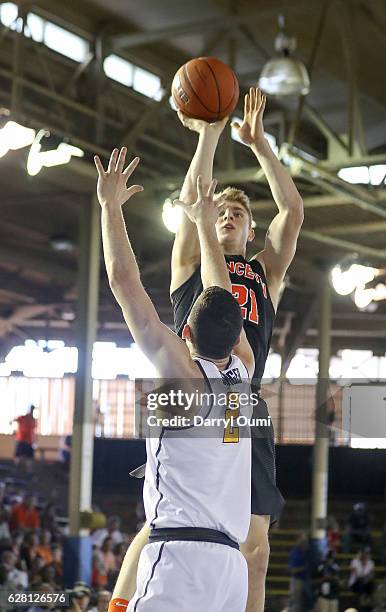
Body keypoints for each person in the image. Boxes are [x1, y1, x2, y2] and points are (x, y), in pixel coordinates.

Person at [114, 87, 304, 612]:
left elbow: (291, 209)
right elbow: (194, 196)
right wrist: (208, 136)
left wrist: (260, 145)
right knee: (163, 521)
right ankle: (118, 604)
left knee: (256, 549)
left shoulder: (265, 270)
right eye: (219, 211)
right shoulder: (190, 264)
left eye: (238, 214)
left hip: (243, 397)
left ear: (249, 227)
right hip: (190, 382)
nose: (226, 216)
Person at [94, 147, 255, 611]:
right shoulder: (241, 375)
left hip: (179, 559)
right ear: (236, 334)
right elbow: (222, 297)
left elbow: (126, 285)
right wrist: (205, 226)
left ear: (185, 332)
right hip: (231, 572)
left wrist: (110, 207)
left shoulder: (186, 376)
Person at [288, 533, 312, 612]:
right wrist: (304, 568)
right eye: (302, 540)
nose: (304, 542)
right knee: (296, 602)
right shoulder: (295, 553)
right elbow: (292, 570)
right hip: (297, 580)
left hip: (307, 580)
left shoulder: (308, 552)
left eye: (305, 540)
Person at [11, 404, 37, 472]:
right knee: (18, 457)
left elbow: (33, 432)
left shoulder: (33, 420)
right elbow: (12, 421)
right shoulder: (22, 417)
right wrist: (13, 431)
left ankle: (28, 474)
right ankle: (16, 471)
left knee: (29, 458)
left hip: (29, 442)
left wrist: (35, 441)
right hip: (21, 440)